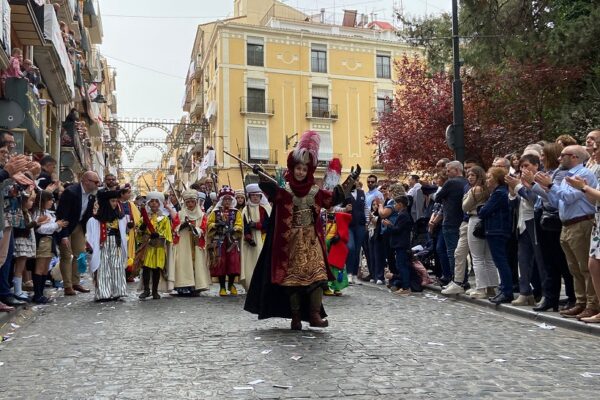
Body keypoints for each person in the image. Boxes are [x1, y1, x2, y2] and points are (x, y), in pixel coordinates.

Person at [244, 130, 360, 330]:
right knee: (293, 282)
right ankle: (296, 317)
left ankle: (314, 315)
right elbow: (270, 191)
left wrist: (351, 179)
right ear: (293, 168)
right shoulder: (284, 190)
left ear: (309, 171)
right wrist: (260, 173)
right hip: (290, 242)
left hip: (312, 240)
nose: (300, 172)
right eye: (298, 168)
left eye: (304, 169)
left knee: (318, 278)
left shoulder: (315, 192)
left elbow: (333, 198)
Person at [535, 145, 599, 320]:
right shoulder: (566, 177)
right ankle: (580, 302)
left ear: (575, 157)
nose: (559, 158)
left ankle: (592, 304)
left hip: (581, 223)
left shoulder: (583, 174)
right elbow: (557, 201)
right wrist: (538, 187)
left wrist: (550, 185)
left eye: (563, 155)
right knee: (574, 268)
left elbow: (570, 197)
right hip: (567, 224)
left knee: (585, 268)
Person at [55, 171, 99, 296]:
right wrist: (63, 235)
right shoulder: (71, 192)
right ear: (86, 181)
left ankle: (76, 282)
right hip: (66, 225)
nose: (97, 185)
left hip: (79, 226)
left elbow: (88, 215)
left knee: (80, 254)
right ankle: (67, 286)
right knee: (66, 256)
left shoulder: (91, 195)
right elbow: (61, 214)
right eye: (95, 182)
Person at [461, 166, 497, 299]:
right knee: (488, 257)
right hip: (488, 221)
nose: (470, 177)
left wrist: (468, 195)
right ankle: (492, 287)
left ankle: (481, 288)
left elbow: (465, 206)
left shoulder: (475, 190)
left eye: (473, 175)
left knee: (477, 257)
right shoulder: (490, 190)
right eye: (468, 175)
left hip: (475, 220)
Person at [479, 167, 513, 304]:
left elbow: (484, 211)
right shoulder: (499, 192)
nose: (487, 180)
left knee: (501, 261)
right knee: (500, 261)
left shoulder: (499, 193)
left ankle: (506, 291)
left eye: (489, 177)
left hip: (497, 230)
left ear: (497, 179)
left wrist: (482, 208)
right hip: (496, 229)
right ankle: (504, 289)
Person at [86, 190, 128, 301]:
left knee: (117, 266)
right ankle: (104, 293)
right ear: (106, 202)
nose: (115, 203)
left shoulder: (120, 217)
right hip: (102, 245)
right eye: (112, 201)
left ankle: (118, 292)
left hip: (116, 243)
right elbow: (90, 235)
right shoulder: (95, 220)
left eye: (116, 201)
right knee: (103, 267)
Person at [172, 189, 210, 296]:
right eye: (187, 202)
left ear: (196, 202)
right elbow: (174, 227)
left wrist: (195, 229)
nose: (190, 204)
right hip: (183, 243)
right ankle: (183, 285)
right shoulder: (180, 214)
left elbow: (203, 227)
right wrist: (182, 225)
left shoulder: (202, 215)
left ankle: (196, 286)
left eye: (192, 202)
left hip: (196, 241)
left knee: (197, 262)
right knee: (183, 263)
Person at [12, 191, 48, 302]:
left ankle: (19, 289)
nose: (32, 203)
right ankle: (17, 290)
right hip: (21, 242)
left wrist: (37, 223)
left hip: (26, 241)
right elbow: (23, 227)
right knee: (19, 267)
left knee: (21, 266)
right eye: (31, 200)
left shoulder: (26, 212)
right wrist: (36, 222)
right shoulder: (21, 213)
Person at [206, 186, 243, 296]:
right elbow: (209, 224)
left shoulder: (236, 212)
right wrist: (216, 225)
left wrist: (235, 229)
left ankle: (231, 285)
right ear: (221, 201)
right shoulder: (215, 212)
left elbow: (239, 224)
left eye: (229, 199)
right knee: (220, 263)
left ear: (232, 200)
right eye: (225, 199)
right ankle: (222, 287)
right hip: (219, 241)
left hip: (232, 241)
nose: (227, 201)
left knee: (233, 263)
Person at [32, 190, 66, 304]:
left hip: (50, 241)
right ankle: (38, 294)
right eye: (49, 200)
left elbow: (54, 227)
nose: (52, 202)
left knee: (45, 268)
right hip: (43, 240)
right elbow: (41, 229)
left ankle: (41, 293)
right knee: (40, 267)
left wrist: (58, 225)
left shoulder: (49, 212)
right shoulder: (38, 213)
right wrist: (56, 225)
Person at [137, 192, 173, 300]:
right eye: (151, 201)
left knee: (157, 269)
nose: (153, 204)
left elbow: (167, 232)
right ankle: (146, 290)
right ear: (148, 203)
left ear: (160, 204)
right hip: (148, 245)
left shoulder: (164, 218)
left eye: (156, 202)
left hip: (158, 247)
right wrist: (142, 228)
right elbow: (139, 231)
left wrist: (159, 235)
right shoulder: (144, 217)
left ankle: (155, 291)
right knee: (146, 268)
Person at [240, 184, 271, 290]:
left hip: (262, 238)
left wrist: (257, 225)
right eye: (253, 196)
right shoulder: (245, 210)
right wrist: (248, 237)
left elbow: (268, 224)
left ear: (261, 197)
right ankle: (250, 284)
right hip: (250, 242)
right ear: (249, 196)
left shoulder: (265, 209)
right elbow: (244, 225)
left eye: (257, 196)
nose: (255, 197)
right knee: (250, 263)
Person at [382, 195, 414, 296]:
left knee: (402, 266)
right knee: (400, 265)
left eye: (396, 204)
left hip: (402, 244)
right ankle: (403, 286)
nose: (395, 206)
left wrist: (389, 225)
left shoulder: (403, 215)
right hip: (400, 244)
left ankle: (406, 287)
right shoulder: (402, 214)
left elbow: (397, 229)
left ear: (400, 205)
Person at [324, 209, 351, 296]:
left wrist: (339, 236)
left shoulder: (338, 213)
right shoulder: (321, 214)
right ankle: (325, 287)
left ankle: (337, 288)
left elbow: (347, 218)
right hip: (323, 243)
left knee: (336, 266)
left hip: (336, 245)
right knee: (324, 266)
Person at [118, 184, 141, 282]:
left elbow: (137, 217)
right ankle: (119, 273)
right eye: (128, 193)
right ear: (122, 194)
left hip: (130, 233)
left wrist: (133, 223)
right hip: (119, 232)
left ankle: (129, 274)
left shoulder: (131, 204)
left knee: (130, 253)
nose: (130, 195)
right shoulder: (116, 203)